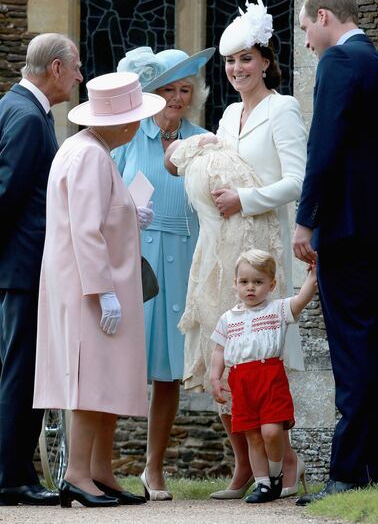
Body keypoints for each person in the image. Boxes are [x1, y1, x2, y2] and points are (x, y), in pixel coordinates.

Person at [166, 0, 308, 499]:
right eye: (229, 61)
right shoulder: (227, 117)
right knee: (221, 354)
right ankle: (243, 468)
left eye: (245, 58)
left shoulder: (283, 109)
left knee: (257, 359)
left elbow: (297, 179)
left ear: (266, 60)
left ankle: (284, 463)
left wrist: (245, 199)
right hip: (218, 245)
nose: (236, 68)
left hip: (258, 245)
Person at [292, 0, 378, 505]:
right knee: (374, 348)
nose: (307, 38)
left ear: (323, 17)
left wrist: (306, 220)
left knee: (353, 349)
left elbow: (325, 145)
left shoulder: (339, 61)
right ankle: (370, 468)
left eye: (306, 27)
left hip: (346, 226)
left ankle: (349, 474)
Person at [33, 71, 166, 508]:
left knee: (105, 378)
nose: (136, 126)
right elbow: (85, 230)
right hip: (90, 286)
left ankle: (100, 470)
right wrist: (102, 290)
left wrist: (130, 215)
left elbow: (99, 214)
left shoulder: (87, 149)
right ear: (120, 122)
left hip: (93, 282)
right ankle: (77, 475)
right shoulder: (89, 155)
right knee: (90, 378)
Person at [113, 45, 215, 500]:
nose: (177, 97)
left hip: (188, 260)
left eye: (185, 89)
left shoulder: (204, 139)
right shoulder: (129, 137)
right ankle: (100, 465)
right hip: (138, 261)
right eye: (169, 88)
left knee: (170, 373)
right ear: (153, 92)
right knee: (118, 363)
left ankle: (153, 470)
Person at [0, 33, 83, 506]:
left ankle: (11, 470)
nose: (78, 78)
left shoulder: (14, 106)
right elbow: (8, 194)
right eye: (75, 69)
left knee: (14, 371)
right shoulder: (30, 117)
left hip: (17, 268)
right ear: (55, 68)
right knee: (21, 374)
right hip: (23, 268)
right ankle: (12, 477)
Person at [210, 249, 316, 503]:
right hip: (241, 381)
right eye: (244, 282)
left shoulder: (277, 309)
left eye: (258, 282)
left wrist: (313, 276)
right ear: (235, 284)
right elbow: (219, 350)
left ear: (271, 284)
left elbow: (301, 299)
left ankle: (276, 474)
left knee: (271, 432)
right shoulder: (228, 318)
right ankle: (262, 485)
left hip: (269, 377)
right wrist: (215, 377)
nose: (251, 288)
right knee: (252, 436)